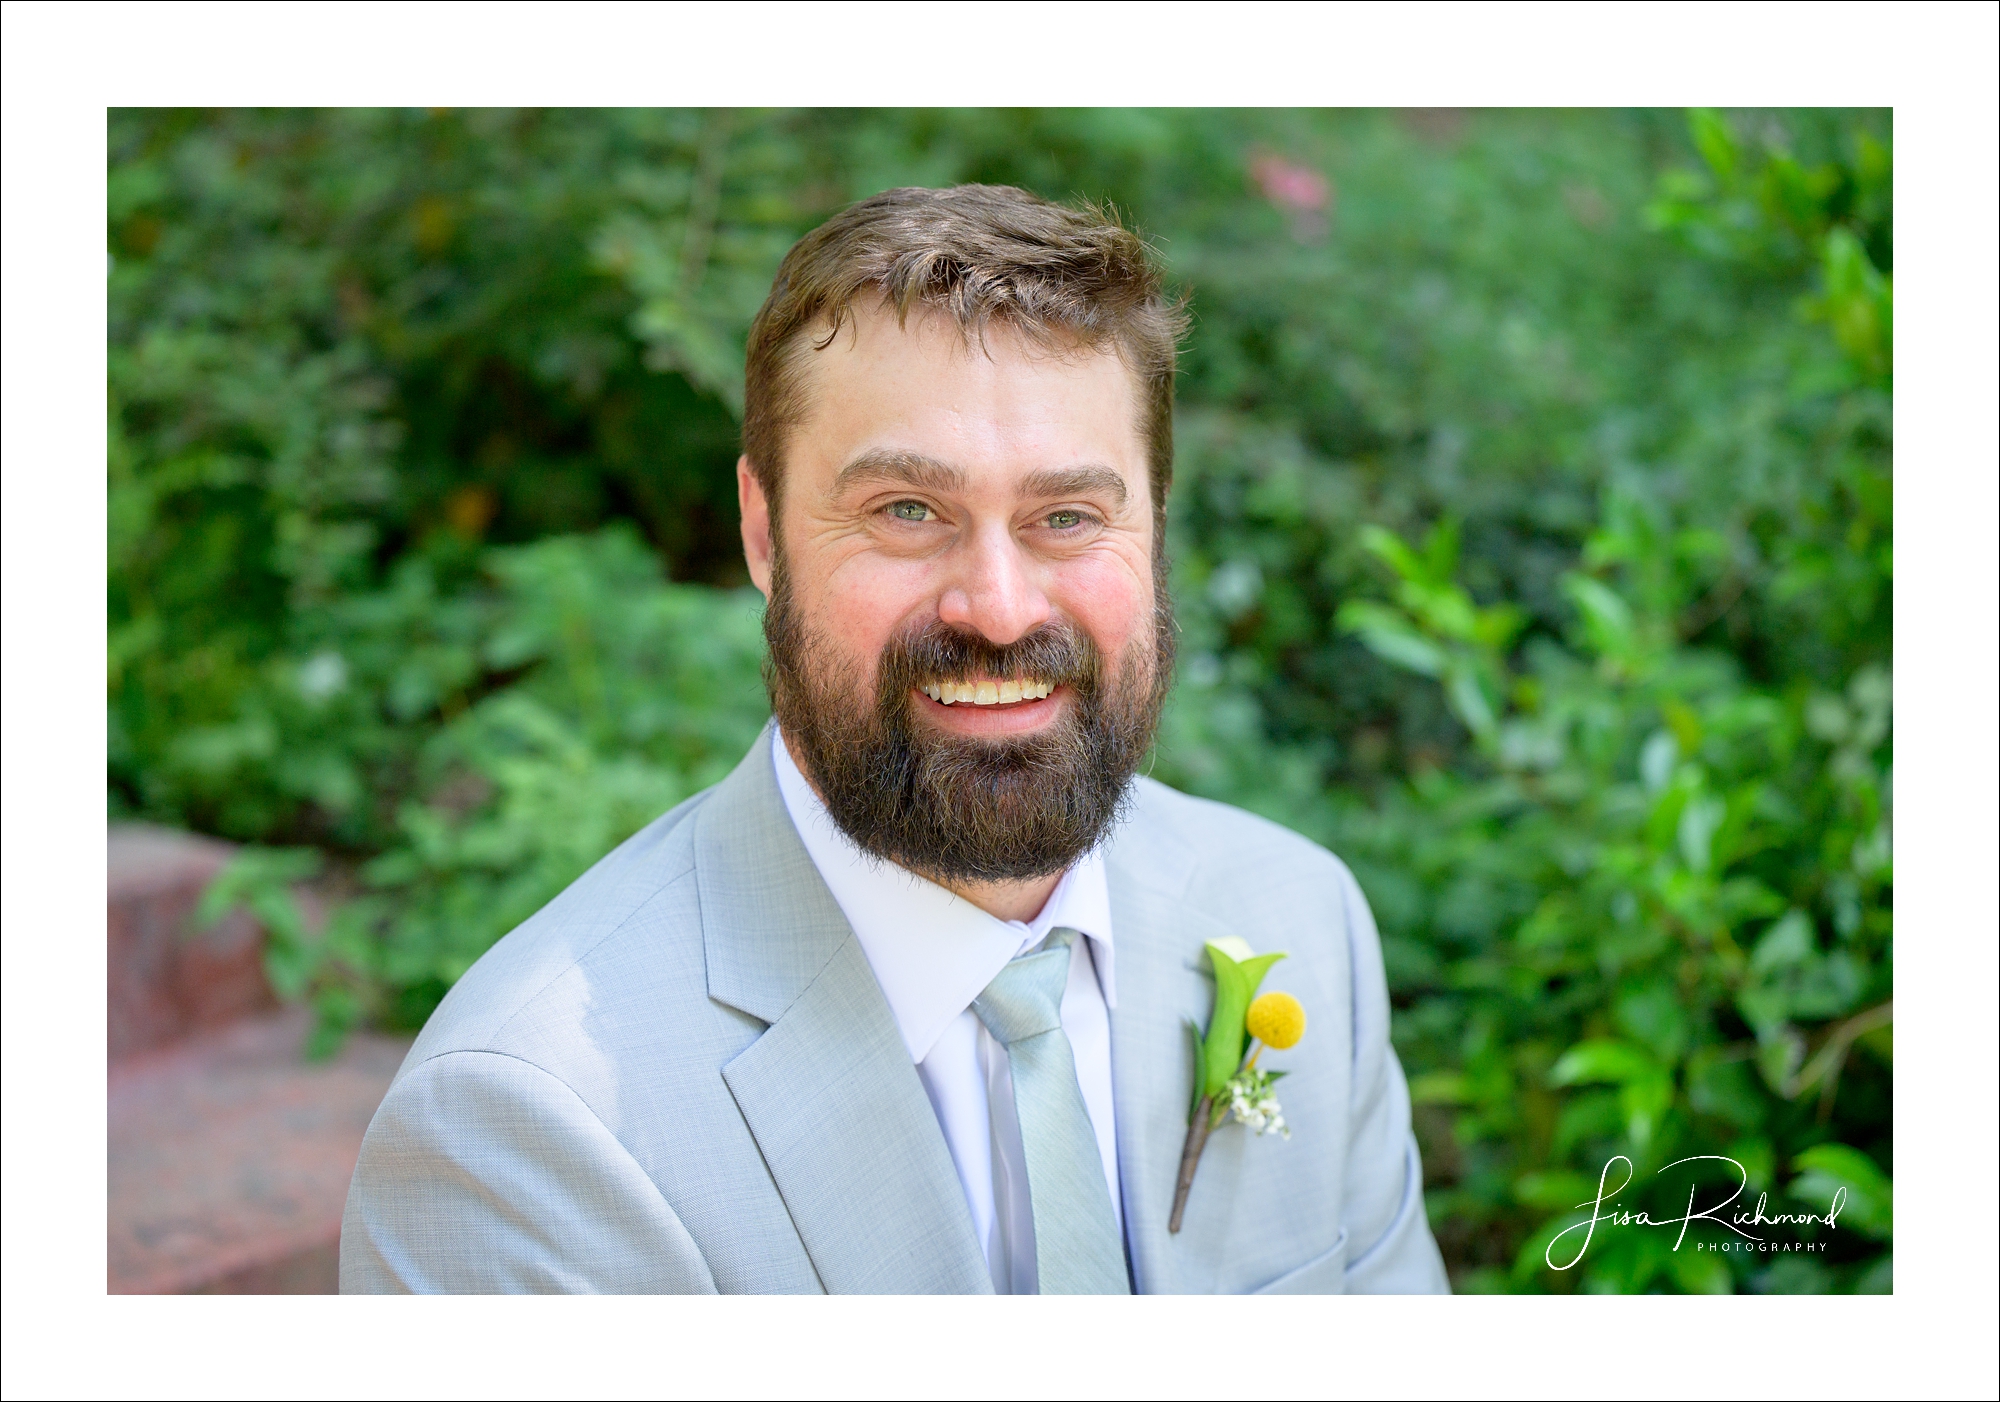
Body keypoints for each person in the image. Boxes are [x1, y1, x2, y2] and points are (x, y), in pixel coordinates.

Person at [340, 184, 1449, 1295]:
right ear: (764, 531)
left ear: (1153, 526)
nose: (999, 607)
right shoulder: (525, 1124)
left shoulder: (1296, 918)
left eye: (1066, 517)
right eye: (906, 512)